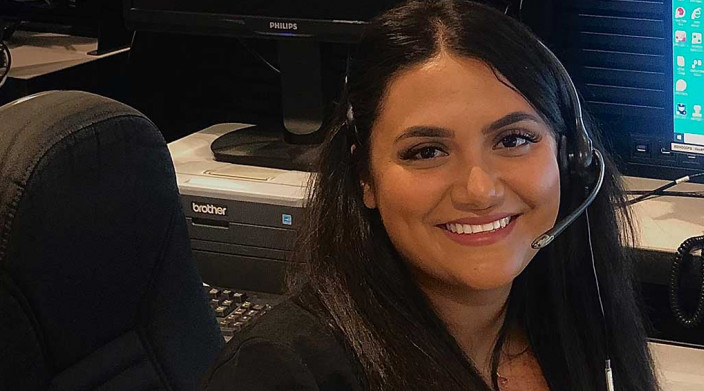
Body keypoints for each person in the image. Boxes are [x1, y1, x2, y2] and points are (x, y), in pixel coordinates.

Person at [199, 1, 659, 390]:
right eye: (426, 151)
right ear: (365, 178)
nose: (480, 190)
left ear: (570, 157)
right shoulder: (281, 373)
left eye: (514, 139)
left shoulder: (569, 314)